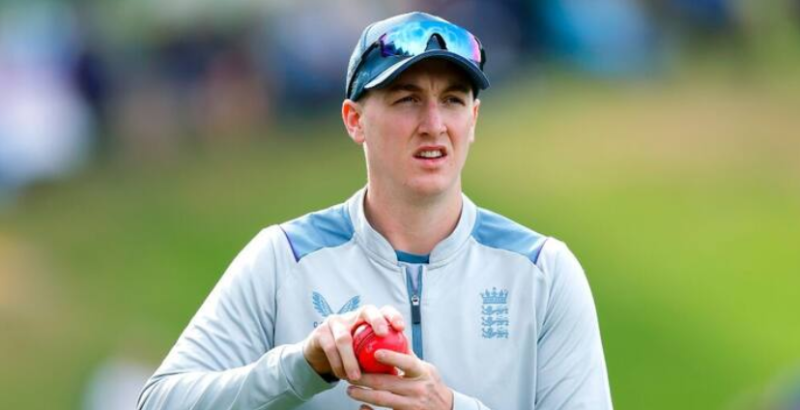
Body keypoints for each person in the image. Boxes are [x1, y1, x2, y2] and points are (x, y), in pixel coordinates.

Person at [137, 11, 613, 410]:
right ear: (355, 120)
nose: (433, 124)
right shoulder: (285, 258)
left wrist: (449, 408)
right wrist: (302, 367)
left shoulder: (542, 271)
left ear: (473, 120)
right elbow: (158, 402)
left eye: (452, 100)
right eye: (407, 99)